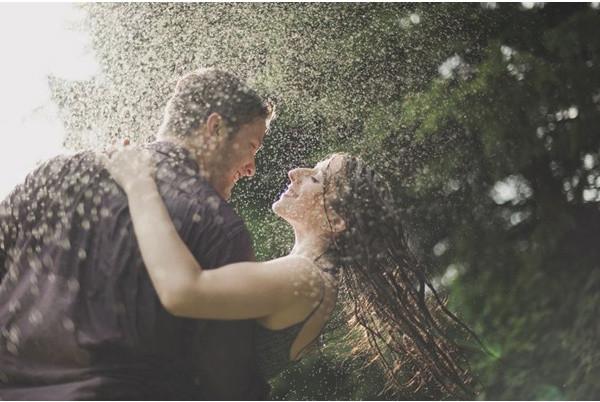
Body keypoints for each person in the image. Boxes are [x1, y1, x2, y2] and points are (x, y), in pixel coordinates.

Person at [103, 146, 478, 398]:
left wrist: (138, 181)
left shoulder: (305, 279)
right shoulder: (310, 277)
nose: (295, 172)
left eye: (315, 177)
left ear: (339, 220)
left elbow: (183, 289)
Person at [0, 68, 274, 399]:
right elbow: (226, 383)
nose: (251, 168)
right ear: (214, 128)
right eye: (251, 146)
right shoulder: (218, 227)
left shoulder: (57, 174)